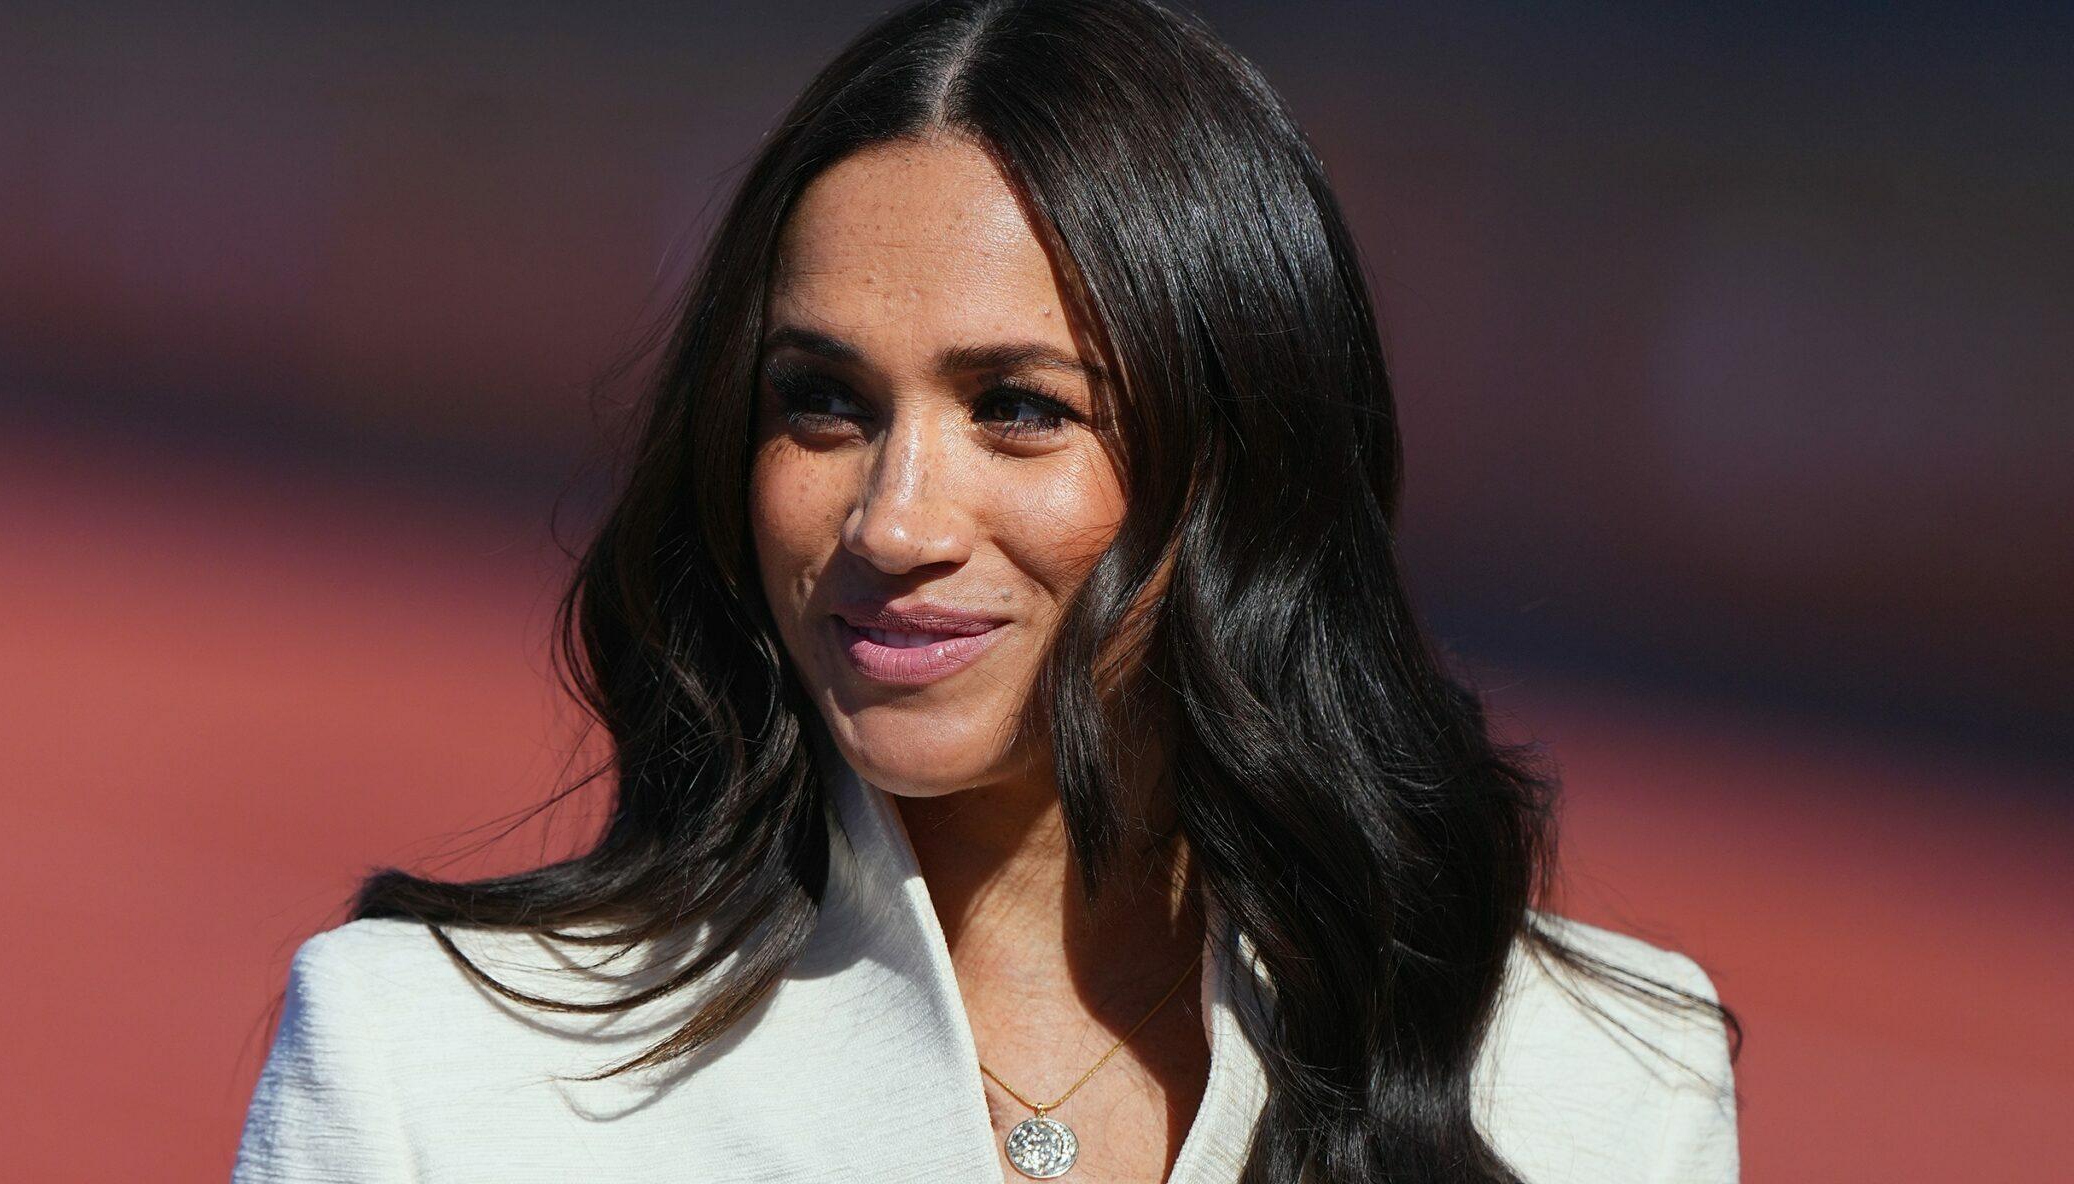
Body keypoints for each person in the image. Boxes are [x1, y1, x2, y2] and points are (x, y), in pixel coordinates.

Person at [231, 0, 1741, 1180]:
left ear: (1245, 458)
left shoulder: (1600, 1078)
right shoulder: (429, 1057)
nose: (892, 520)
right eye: (821, 402)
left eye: (1019, 406)